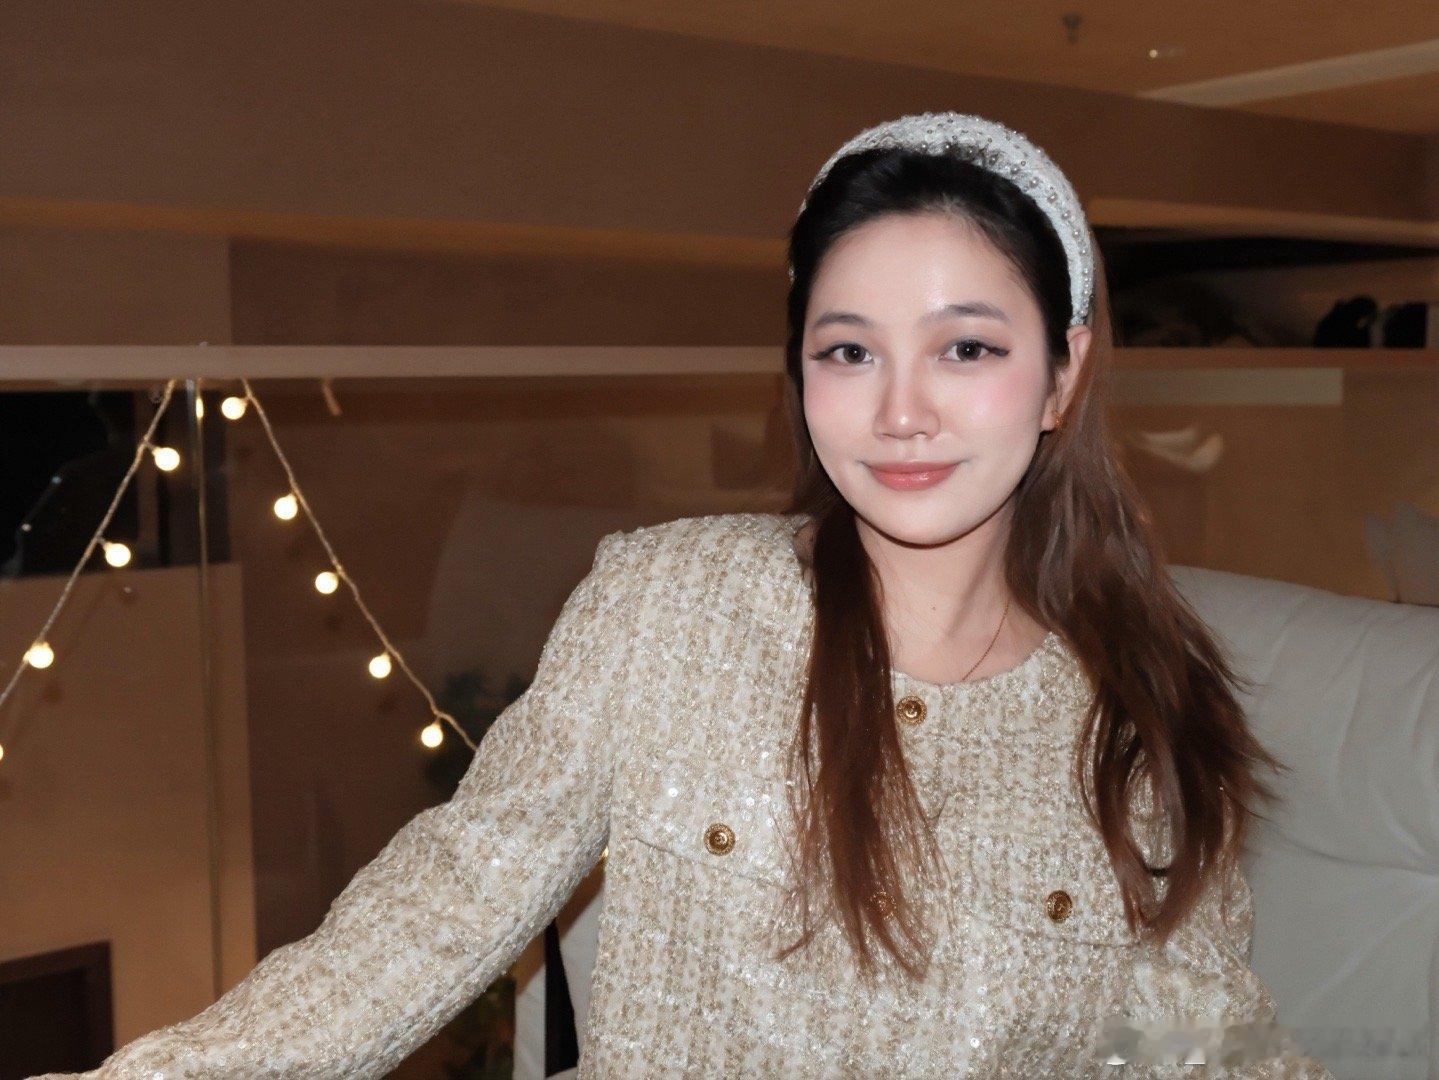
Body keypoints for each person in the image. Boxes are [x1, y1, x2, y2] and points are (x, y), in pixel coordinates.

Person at [35, 112, 1336, 1078]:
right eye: (848, 350)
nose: (900, 409)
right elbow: (442, 904)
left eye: (966, 348)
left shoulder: (1141, 716)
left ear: (1062, 373)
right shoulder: (670, 606)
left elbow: (1207, 1046)